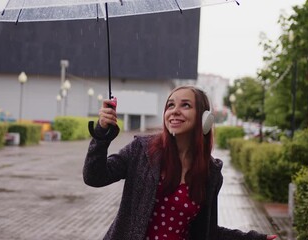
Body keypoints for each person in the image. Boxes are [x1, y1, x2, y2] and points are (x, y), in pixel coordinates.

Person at [83, 85, 277, 240]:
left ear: (204, 118)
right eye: (170, 105)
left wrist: (256, 238)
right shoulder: (142, 150)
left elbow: (207, 231)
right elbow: (94, 176)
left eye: (185, 105)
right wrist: (101, 134)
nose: (175, 111)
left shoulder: (210, 173)